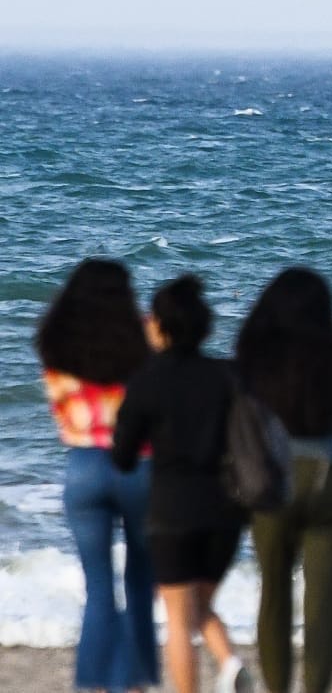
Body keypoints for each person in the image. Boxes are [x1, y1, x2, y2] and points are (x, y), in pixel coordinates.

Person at [235, 267, 332, 693]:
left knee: (274, 593)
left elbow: (240, 425)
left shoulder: (254, 358)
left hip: (271, 484)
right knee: (325, 601)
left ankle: (277, 688)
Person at [111, 275, 252, 693]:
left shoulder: (148, 380)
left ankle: (216, 672)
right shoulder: (229, 376)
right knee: (200, 607)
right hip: (227, 512)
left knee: (177, 617)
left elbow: (123, 455)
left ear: (160, 325)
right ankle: (228, 664)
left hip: (172, 509)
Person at [34, 258, 159, 693]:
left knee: (99, 589)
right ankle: (135, 683)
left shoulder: (54, 342)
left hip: (84, 465)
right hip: (139, 464)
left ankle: (92, 686)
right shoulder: (143, 338)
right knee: (141, 584)